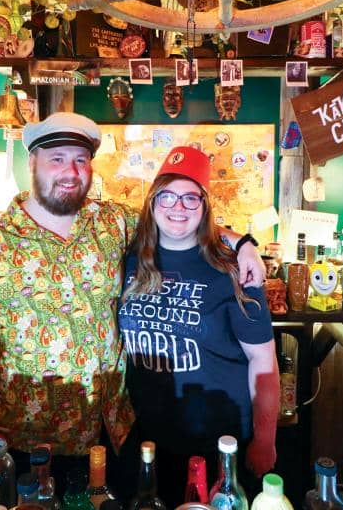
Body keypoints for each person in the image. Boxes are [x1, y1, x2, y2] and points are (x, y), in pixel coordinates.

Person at [0, 113, 265, 483]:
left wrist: (242, 243)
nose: (70, 171)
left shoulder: (112, 222)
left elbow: (177, 216)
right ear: (32, 163)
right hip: (31, 446)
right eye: (57, 159)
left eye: (81, 160)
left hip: (116, 434)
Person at [118, 146, 279, 504]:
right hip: (146, 440)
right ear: (152, 202)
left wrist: (265, 439)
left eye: (191, 198)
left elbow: (263, 362)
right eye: (168, 197)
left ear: (205, 207)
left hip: (218, 443)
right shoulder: (128, 260)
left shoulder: (234, 270)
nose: (178, 208)